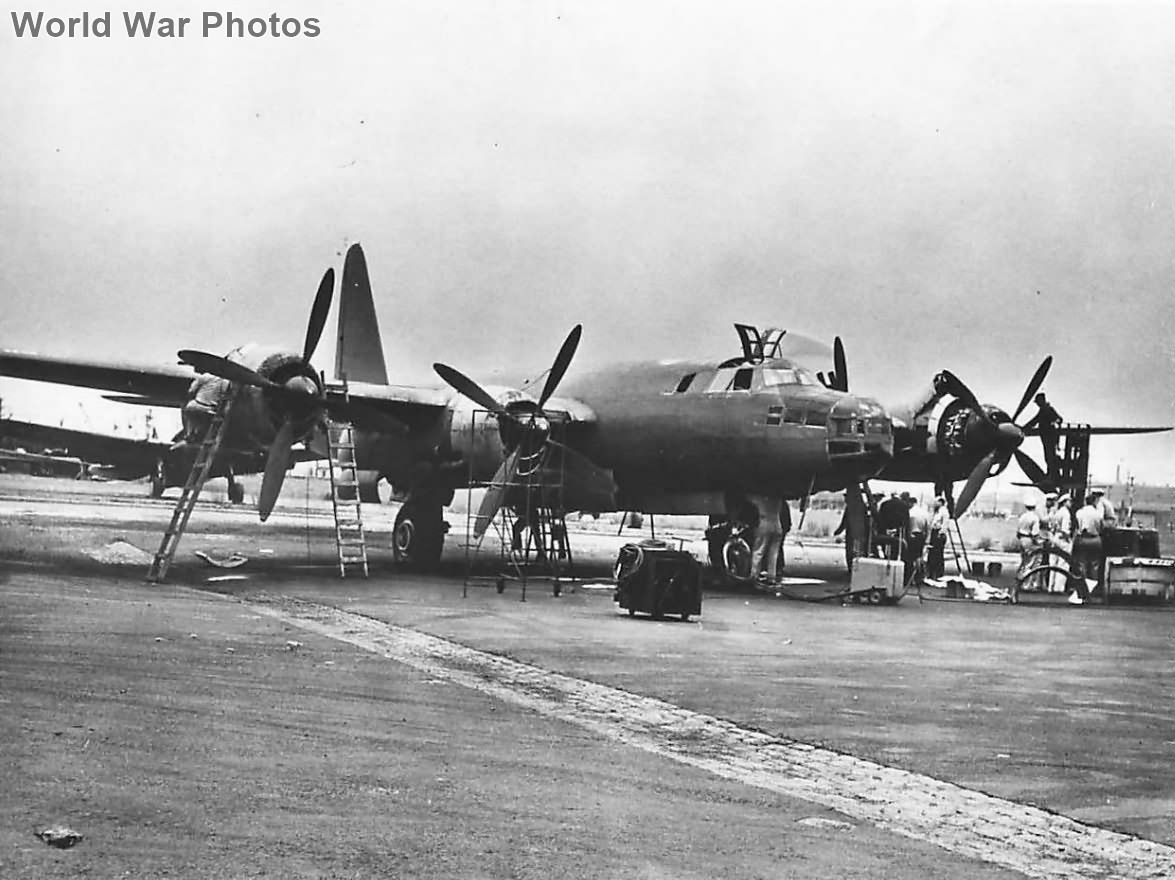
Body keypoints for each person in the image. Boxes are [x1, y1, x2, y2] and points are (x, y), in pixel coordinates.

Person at [1072, 492, 1105, 601]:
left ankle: (1082, 588)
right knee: (1095, 564)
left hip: (1082, 539)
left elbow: (1077, 526)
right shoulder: (1097, 514)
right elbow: (1101, 527)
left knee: (1082, 563)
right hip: (1095, 539)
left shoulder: (1079, 513)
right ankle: (1092, 588)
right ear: (1095, 501)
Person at [1023, 393, 1063, 480]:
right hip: (1048, 437)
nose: (1037, 404)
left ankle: (1052, 475)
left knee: (1049, 456)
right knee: (1049, 456)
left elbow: (1035, 421)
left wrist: (1024, 428)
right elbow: (1035, 421)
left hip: (1049, 437)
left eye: (1038, 402)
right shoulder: (1045, 410)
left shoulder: (1046, 410)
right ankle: (1052, 474)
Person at [747, 494, 784, 588]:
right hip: (777, 523)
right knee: (774, 554)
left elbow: (749, 498)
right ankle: (772, 577)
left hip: (765, 523)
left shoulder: (760, 498)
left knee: (759, 551)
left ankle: (754, 575)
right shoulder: (778, 498)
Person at [1015, 499, 1043, 602]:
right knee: (1032, 562)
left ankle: (1020, 580)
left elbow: (1018, 531)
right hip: (1030, 539)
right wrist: (1039, 542)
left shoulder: (1022, 516)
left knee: (1024, 561)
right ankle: (1026, 584)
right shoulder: (1035, 518)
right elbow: (1035, 533)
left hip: (1022, 538)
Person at [1046, 493, 1073, 594]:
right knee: (1063, 563)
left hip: (1054, 537)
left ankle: (1051, 586)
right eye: (1069, 501)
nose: (1071, 503)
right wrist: (1068, 540)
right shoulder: (1066, 513)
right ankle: (1059, 587)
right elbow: (1065, 529)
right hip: (1062, 538)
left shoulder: (1057, 513)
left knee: (1053, 562)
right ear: (1065, 502)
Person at [874, 492, 909, 560]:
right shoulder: (904, 505)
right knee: (896, 546)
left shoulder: (884, 504)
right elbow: (906, 520)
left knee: (884, 542)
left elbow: (880, 518)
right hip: (898, 529)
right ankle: (894, 558)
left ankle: (885, 557)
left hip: (885, 528)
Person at [905, 493, 930, 583]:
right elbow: (928, 527)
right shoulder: (925, 513)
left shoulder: (910, 512)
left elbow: (908, 526)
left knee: (910, 558)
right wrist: (927, 539)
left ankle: (911, 578)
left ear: (911, 503)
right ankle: (919, 576)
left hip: (912, 536)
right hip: (921, 536)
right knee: (919, 557)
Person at [927, 496, 949, 580]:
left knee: (938, 555)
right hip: (934, 532)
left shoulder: (944, 511)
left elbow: (945, 523)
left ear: (940, 502)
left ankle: (939, 573)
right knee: (932, 554)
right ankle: (931, 572)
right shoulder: (936, 512)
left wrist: (941, 533)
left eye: (936, 502)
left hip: (939, 533)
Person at [777, 499, 792, 576]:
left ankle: (778, 567)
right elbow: (787, 519)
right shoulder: (784, 504)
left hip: (779, 526)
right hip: (782, 528)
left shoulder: (771, 501)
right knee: (779, 547)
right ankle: (779, 567)